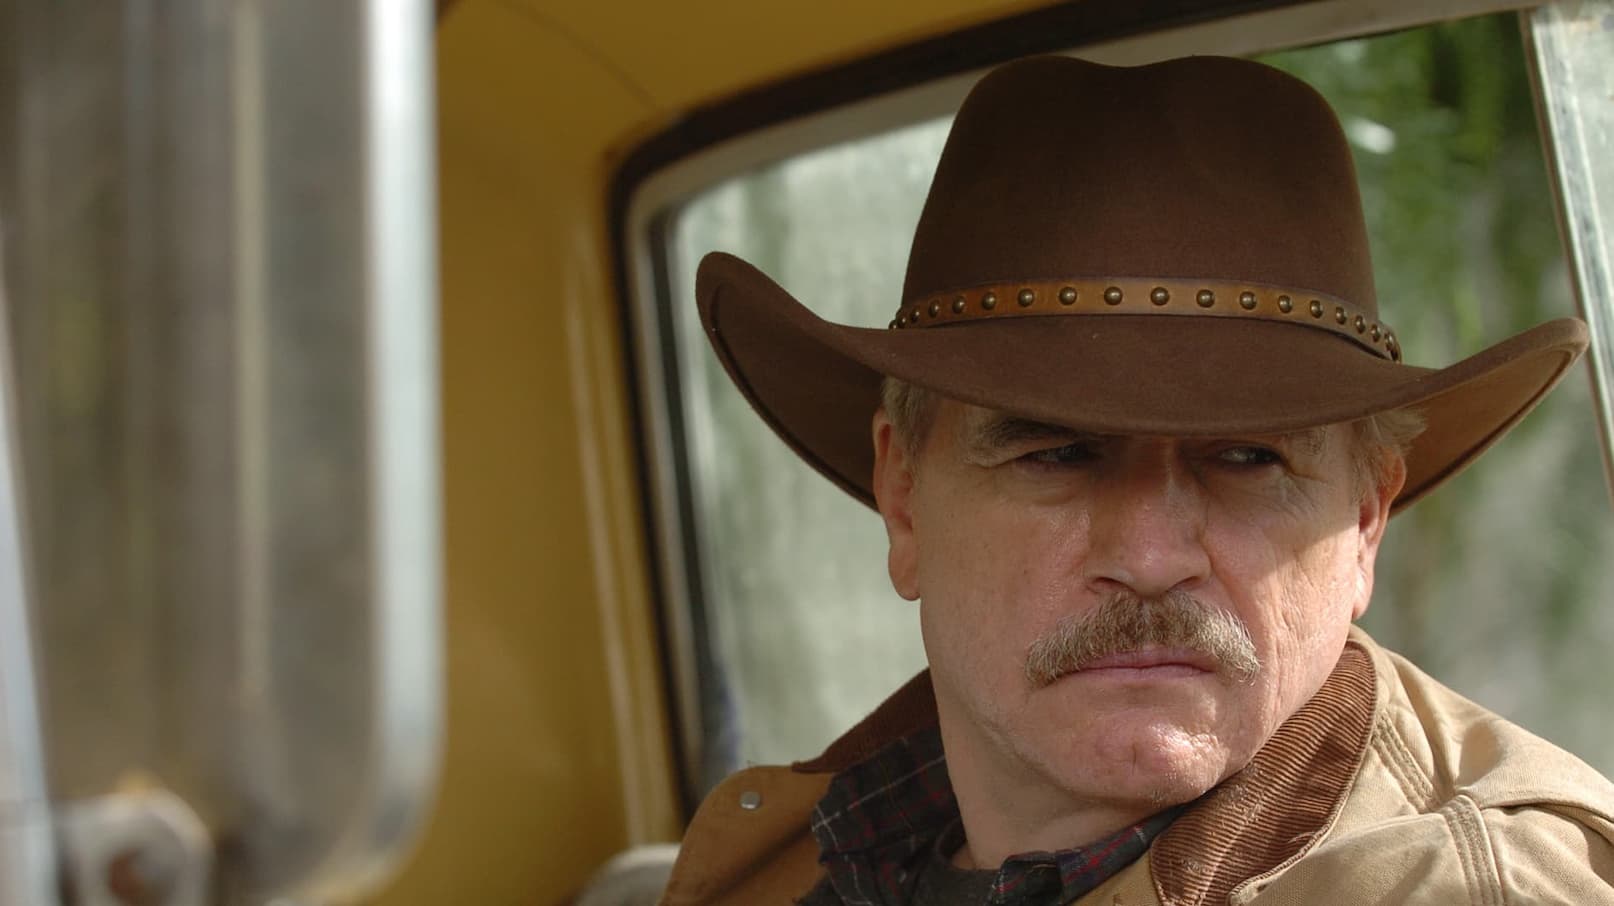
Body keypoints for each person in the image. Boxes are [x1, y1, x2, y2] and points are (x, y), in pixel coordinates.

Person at [657, 55, 1614, 905]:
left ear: (1366, 520)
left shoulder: (1471, 886)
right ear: (903, 497)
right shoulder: (829, 843)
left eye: (1248, 458)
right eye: (1058, 453)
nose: (1151, 556)